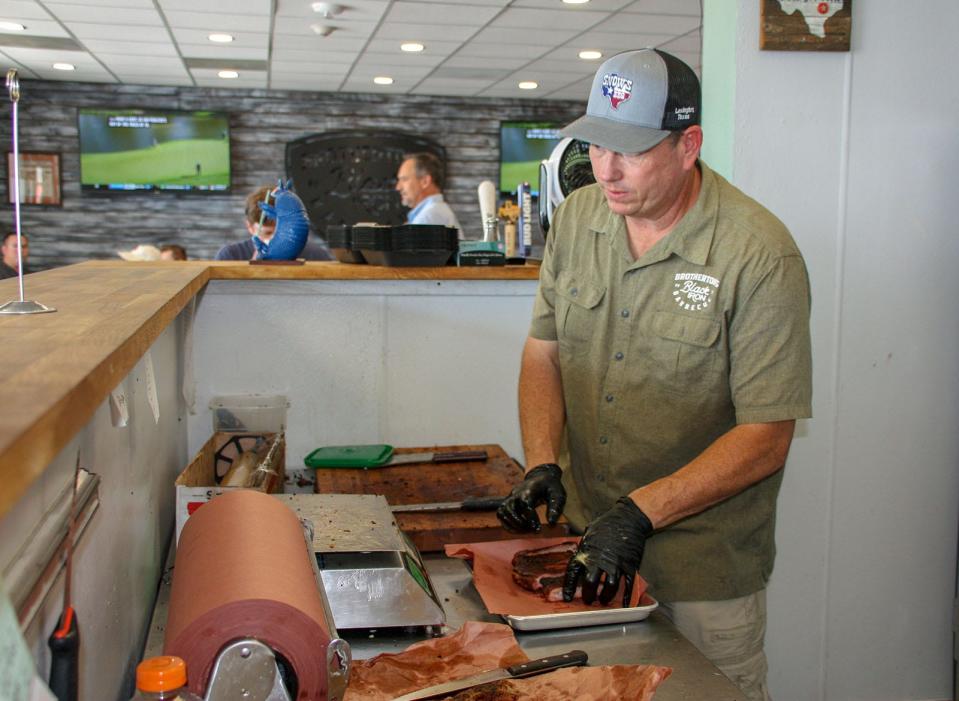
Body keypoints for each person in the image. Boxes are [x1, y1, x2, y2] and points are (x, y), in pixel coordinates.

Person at [495, 49, 812, 701]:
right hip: (585, 550)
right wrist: (540, 462)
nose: (605, 170)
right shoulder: (579, 220)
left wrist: (639, 513)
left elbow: (766, 434)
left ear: (687, 145)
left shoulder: (757, 254)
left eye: (630, 151)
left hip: (700, 573)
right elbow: (543, 352)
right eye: (596, 146)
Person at [215, 185, 333, 261]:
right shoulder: (229, 256)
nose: (275, 238)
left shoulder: (316, 256)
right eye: (268, 233)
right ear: (250, 227)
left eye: (282, 230)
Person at [395, 152, 463, 237]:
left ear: (425, 182)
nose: (398, 187)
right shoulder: (434, 212)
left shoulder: (427, 217)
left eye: (404, 179)